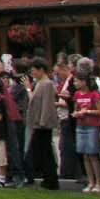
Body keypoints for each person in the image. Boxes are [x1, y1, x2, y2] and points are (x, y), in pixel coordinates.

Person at [27, 59, 60, 190]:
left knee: (45, 151)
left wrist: (42, 121)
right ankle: (47, 177)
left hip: (43, 124)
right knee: (41, 151)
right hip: (38, 122)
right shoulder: (39, 83)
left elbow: (47, 104)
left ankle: (51, 179)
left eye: (34, 70)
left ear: (41, 69)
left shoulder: (46, 84)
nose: (32, 73)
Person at [73, 71, 100, 193]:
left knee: (93, 154)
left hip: (92, 126)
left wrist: (87, 112)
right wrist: (76, 113)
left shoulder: (94, 94)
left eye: (77, 81)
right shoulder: (77, 94)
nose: (75, 83)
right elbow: (76, 109)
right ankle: (90, 182)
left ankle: (99, 182)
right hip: (81, 126)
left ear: (84, 82)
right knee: (85, 155)